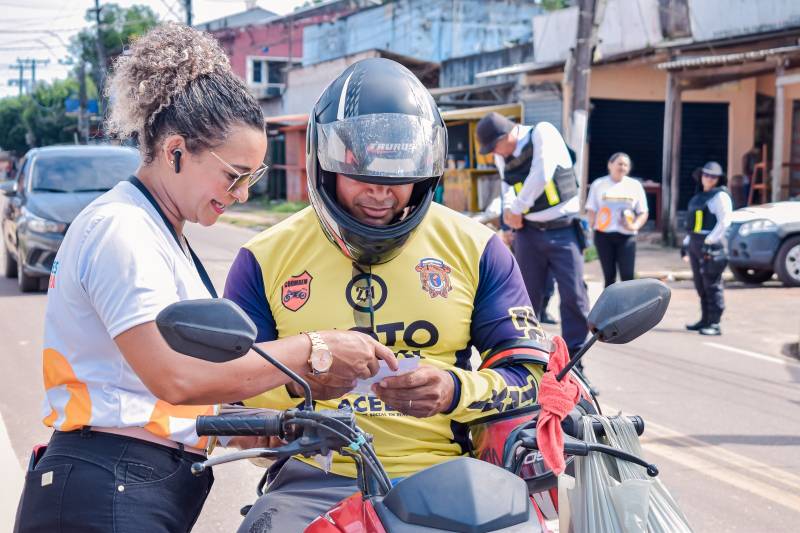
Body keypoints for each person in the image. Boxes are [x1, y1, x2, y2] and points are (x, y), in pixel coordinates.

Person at [13, 25, 394, 533]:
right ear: (175, 150)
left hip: (129, 483)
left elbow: (168, 393)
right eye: (233, 175)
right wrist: (315, 348)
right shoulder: (123, 230)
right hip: (105, 489)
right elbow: (175, 378)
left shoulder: (159, 231)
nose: (240, 195)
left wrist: (264, 428)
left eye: (251, 180)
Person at [224, 58, 552, 532]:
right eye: (363, 177)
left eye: (398, 181)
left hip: (453, 478)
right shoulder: (263, 258)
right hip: (314, 479)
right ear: (326, 166)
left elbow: (527, 378)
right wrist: (303, 384)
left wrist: (454, 389)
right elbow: (229, 395)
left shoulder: (477, 248)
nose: (381, 195)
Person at [476, 112, 589, 360]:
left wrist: (516, 209)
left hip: (563, 230)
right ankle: (531, 359)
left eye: (496, 146)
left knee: (574, 297)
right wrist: (508, 222)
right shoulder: (502, 157)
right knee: (524, 299)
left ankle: (575, 361)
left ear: (508, 134)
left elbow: (542, 173)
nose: (496, 153)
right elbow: (507, 188)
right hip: (528, 233)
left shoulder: (543, 132)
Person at [683, 161, 733, 336]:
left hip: (712, 246)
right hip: (696, 244)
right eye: (706, 174)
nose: (708, 178)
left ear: (718, 179)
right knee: (700, 284)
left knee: (712, 284)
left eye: (713, 176)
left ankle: (715, 323)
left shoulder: (720, 196)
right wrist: (687, 242)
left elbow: (725, 221)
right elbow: (694, 224)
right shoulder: (699, 196)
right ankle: (704, 319)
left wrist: (710, 240)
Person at [585, 152, 649, 287]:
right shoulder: (599, 184)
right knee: (609, 277)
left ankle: (629, 307)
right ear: (610, 165)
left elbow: (643, 211)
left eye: (626, 165)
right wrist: (589, 231)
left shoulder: (635, 185)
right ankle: (610, 307)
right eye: (620, 164)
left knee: (627, 276)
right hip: (603, 235)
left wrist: (635, 226)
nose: (623, 167)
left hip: (626, 236)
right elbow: (591, 209)